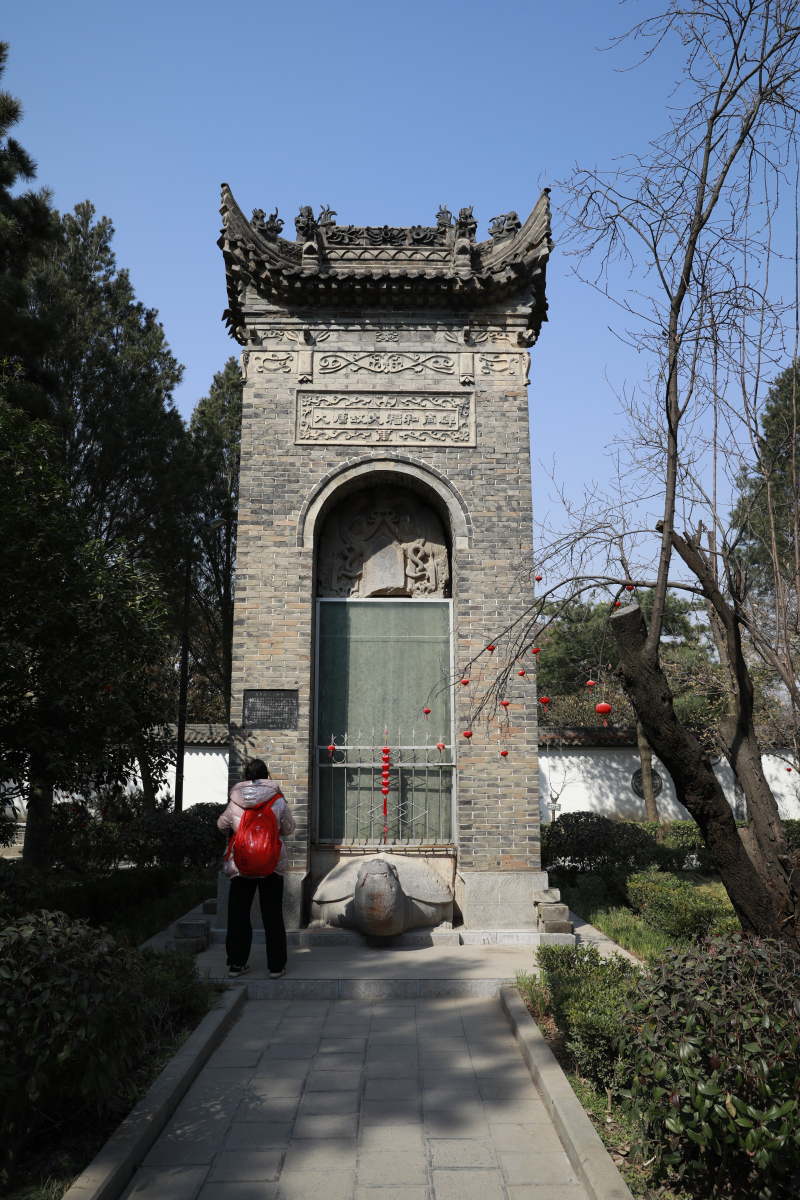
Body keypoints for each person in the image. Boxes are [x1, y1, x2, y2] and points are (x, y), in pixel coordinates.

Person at [217, 759, 296, 979]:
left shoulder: (235, 801)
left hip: (241, 867)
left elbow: (221, 825)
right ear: (266, 776)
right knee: (272, 915)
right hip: (271, 865)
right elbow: (289, 828)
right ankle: (276, 967)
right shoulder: (277, 800)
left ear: (246, 777)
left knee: (238, 914)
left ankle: (236, 964)